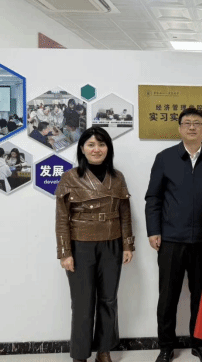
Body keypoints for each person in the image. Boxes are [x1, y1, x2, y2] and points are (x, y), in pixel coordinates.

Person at [145, 108, 202, 362]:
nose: (192, 127)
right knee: (168, 297)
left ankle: (200, 344)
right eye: (187, 123)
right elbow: (153, 197)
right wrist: (154, 230)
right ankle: (166, 346)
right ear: (180, 128)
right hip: (171, 239)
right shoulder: (165, 158)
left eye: (197, 123)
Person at [55, 127, 135, 362]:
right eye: (91, 145)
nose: (96, 149)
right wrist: (65, 252)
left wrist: (127, 245)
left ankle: (104, 350)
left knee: (108, 299)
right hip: (81, 246)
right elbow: (62, 218)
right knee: (82, 303)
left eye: (101, 144)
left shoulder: (117, 177)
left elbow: (125, 214)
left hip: (112, 244)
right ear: (82, 149)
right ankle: (80, 355)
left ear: (108, 148)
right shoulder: (70, 177)